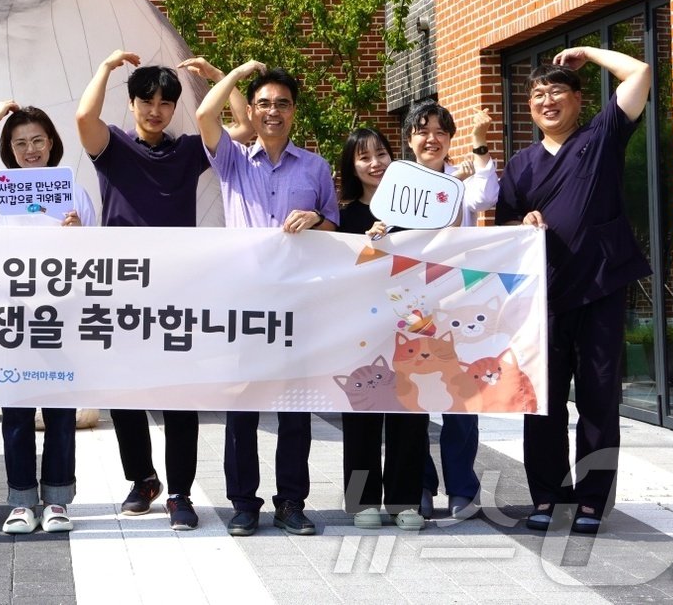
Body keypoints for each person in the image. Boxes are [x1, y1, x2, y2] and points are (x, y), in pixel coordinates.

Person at [496, 46, 651, 535]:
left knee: (599, 399)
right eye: (538, 93)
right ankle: (546, 497)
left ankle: (590, 502)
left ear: (578, 100)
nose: (547, 100)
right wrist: (524, 221)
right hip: (544, 298)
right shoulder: (520, 165)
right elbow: (502, 228)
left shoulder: (600, 137)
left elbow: (640, 72)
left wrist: (587, 52)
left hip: (601, 288)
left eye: (557, 90)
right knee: (541, 401)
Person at [195, 61, 338, 537]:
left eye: (282, 103)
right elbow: (203, 115)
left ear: (294, 111)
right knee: (242, 410)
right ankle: (243, 504)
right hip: (245, 303)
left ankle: (292, 502)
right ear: (251, 112)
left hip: (298, 304)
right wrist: (233, 72)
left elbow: (337, 228)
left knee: (296, 410)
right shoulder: (232, 160)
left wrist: (316, 220)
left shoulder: (316, 167)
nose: (273, 111)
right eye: (264, 104)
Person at [76, 50, 210, 531]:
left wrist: (217, 77)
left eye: (165, 103)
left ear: (174, 108)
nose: (156, 110)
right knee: (124, 394)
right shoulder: (111, 147)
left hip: (176, 294)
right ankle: (143, 478)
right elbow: (82, 116)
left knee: (178, 398)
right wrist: (106, 67)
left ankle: (179, 493)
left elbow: (242, 131)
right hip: (121, 292)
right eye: (146, 100)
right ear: (131, 104)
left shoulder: (188, 151)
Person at [0, 100, 97, 534]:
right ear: (10, 148)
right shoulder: (0, 190)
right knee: (17, 411)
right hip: (12, 313)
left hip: (61, 314)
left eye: (37, 140)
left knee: (60, 410)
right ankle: (22, 502)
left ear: (51, 143)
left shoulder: (74, 190)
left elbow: (96, 255)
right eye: (20, 142)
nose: (30, 149)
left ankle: (58, 501)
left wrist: (77, 236)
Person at [401, 101, 498, 521]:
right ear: (409, 139)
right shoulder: (396, 186)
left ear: (450, 139)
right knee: (414, 400)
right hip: (409, 308)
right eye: (422, 131)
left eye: (441, 131)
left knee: (460, 400)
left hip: (458, 303)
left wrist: (479, 148)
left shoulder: (463, 185)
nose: (431, 138)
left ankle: (463, 487)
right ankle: (419, 484)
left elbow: (488, 194)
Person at [334, 127, 428, 532]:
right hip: (359, 328)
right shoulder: (342, 215)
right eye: (364, 157)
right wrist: (366, 245)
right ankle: (361, 502)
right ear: (352, 166)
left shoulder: (418, 213)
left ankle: (406, 501)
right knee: (361, 416)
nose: (374, 163)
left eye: (381, 154)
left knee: (410, 413)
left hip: (412, 326)